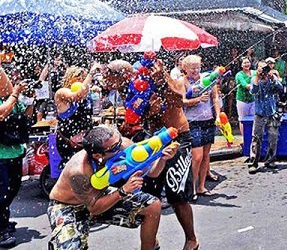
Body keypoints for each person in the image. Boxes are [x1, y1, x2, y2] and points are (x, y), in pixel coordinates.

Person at [104, 57, 199, 250]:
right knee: (149, 195)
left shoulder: (157, 75)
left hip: (177, 137)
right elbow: (139, 114)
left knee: (176, 194)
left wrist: (162, 81)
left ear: (122, 75)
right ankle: (150, 242)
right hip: (152, 139)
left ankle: (192, 239)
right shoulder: (128, 88)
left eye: (110, 77)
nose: (106, 82)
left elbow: (179, 99)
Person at [47, 125, 178, 250]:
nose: (121, 146)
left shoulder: (122, 144)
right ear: (98, 155)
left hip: (100, 196)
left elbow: (153, 172)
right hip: (68, 205)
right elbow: (94, 209)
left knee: (152, 206)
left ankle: (149, 246)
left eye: (119, 140)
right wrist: (123, 191)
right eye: (115, 147)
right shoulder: (78, 172)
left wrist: (162, 159)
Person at [0, 66, 32, 247]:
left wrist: (30, 99)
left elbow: (25, 116)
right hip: (1, 156)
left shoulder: (9, 98)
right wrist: (15, 94)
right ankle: (2, 229)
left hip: (14, 152)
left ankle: (3, 221)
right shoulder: (8, 99)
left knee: (12, 190)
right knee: (1, 194)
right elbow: (2, 113)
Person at [181, 54, 220, 198]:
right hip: (193, 122)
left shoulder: (208, 79)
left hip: (208, 120)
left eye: (198, 67)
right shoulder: (183, 81)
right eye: (192, 68)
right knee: (196, 157)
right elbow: (183, 101)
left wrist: (218, 116)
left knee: (205, 156)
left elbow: (215, 97)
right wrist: (197, 100)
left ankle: (202, 186)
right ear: (185, 68)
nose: (196, 70)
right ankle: (191, 187)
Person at [54, 63, 101, 169]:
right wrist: (91, 73)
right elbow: (78, 96)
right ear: (71, 78)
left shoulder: (86, 92)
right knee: (74, 170)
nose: (84, 81)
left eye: (84, 78)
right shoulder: (62, 92)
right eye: (81, 78)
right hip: (68, 140)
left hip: (84, 139)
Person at [248, 61, 284, 174]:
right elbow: (253, 91)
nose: (263, 70)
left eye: (265, 68)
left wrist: (273, 78)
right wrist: (258, 78)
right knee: (256, 138)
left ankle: (270, 160)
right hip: (259, 114)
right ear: (257, 69)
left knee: (273, 137)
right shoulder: (254, 78)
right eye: (260, 68)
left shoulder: (271, 78)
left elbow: (280, 88)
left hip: (272, 113)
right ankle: (253, 162)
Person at [235, 57, 256, 137]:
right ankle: (245, 138)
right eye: (244, 63)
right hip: (242, 100)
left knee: (254, 119)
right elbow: (245, 85)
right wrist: (255, 87)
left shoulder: (254, 72)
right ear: (241, 65)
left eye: (248, 62)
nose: (247, 64)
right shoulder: (239, 75)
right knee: (242, 119)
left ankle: (253, 137)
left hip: (253, 100)